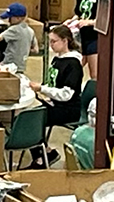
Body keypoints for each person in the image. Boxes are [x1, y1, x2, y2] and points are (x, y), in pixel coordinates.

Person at [32, 25, 87, 153]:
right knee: (29, 110)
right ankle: (43, 150)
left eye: (54, 41)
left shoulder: (73, 64)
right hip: (55, 103)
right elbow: (53, 84)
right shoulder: (57, 59)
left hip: (68, 108)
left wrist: (42, 89)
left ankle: (44, 153)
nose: (51, 45)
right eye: (50, 41)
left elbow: (66, 94)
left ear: (65, 41)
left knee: (33, 119)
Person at [0, 3, 35, 69]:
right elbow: (35, 49)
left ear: (18, 18)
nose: (9, 20)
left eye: (10, 18)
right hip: (21, 65)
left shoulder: (14, 29)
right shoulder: (30, 31)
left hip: (9, 65)